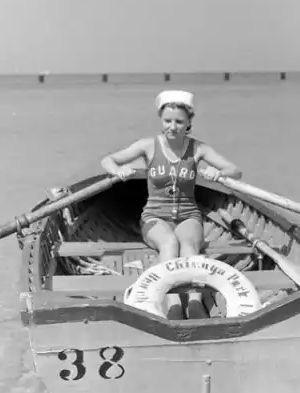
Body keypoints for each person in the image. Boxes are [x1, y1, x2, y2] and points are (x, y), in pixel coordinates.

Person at [100, 90, 243, 320]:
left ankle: (194, 303)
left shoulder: (198, 149)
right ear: (161, 120)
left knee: (188, 248)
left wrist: (218, 172)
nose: (172, 127)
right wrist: (118, 170)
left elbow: (235, 171)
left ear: (188, 123)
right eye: (167, 121)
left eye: (179, 122)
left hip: (189, 215)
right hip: (154, 217)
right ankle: (173, 302)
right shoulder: (148, 146)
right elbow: (108, 160)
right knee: (169, 244)